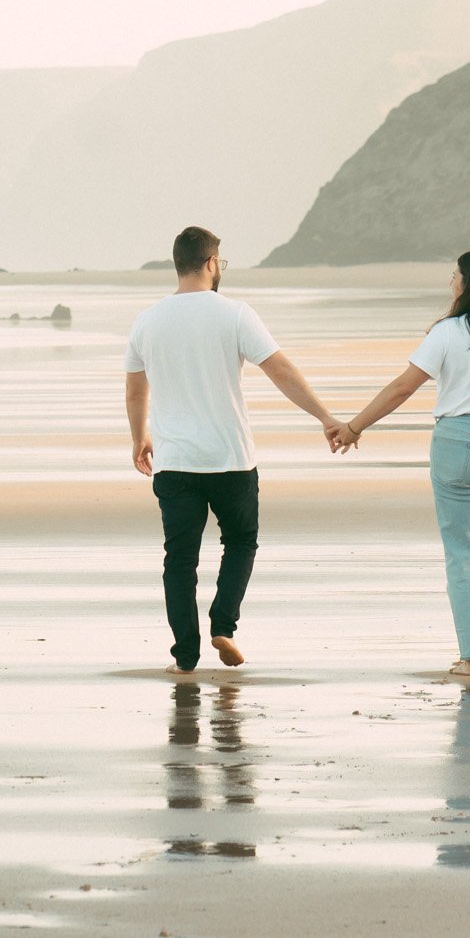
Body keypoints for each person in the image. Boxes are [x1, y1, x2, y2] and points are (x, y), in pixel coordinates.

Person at [124, 226, 345, 673]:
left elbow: (134, 391)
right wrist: (326, 417)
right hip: (232, 459)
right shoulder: (237, 314)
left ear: (178, 264)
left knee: (180, 560)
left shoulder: (147, 320)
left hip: (176, 462)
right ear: (210, 263)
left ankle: (186, 655)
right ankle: (223, 626)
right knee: (241, 542)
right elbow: (280, 370)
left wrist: (138, 438)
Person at [331, 249, 470, 679]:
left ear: (468, 283)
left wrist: (354, 426)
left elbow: (402, 388)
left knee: (462, 552)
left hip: (456, 442)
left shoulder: (448, 332)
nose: (452, 281)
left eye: (456, 275)